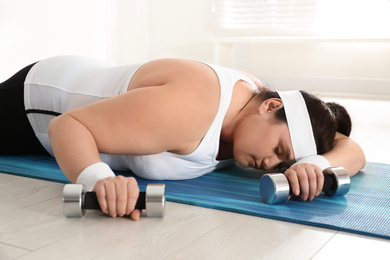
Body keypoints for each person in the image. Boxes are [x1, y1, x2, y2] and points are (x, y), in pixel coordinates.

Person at [0, 55, 366, 220]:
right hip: (33, 100)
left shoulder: (263, 110)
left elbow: (352, 149)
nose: (270, 165)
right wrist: (98, 179)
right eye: (278, 150)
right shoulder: (192, 109)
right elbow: (67, 126)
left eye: (283, 162)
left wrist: (313, 164)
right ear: (270, 107)